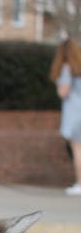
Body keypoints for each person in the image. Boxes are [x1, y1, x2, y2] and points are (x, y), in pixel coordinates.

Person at [49, 36, 81, 195]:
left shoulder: (67, 69)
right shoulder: (79, 69)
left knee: (77, 149)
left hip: (75, 113)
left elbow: (63, 91)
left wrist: (59, 88)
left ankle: (80, 184)